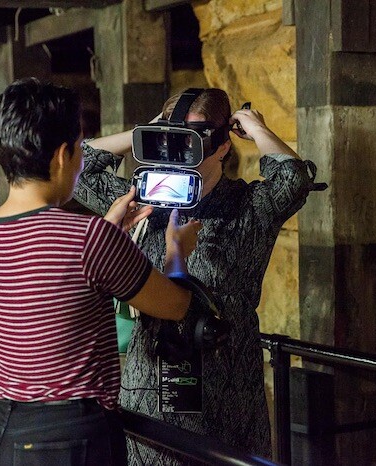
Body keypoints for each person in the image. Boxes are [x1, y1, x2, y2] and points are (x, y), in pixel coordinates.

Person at [74, 88, 326, 464]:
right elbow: (79, 168)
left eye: (191, 142)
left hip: (229, 389)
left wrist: (255, 127)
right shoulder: (146, 198)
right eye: (172, 141)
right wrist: (148, 131)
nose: (179, 153)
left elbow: (293, 179)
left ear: (222, 146)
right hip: (153, 386)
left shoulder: (247, 206)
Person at [0, 78, 203, 466]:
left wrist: (108, 233)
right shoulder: (88, 237)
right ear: (62, 156)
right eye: (79, 147)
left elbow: (48, 281)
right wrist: (177, 250)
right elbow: (175, 306)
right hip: (65, 439)